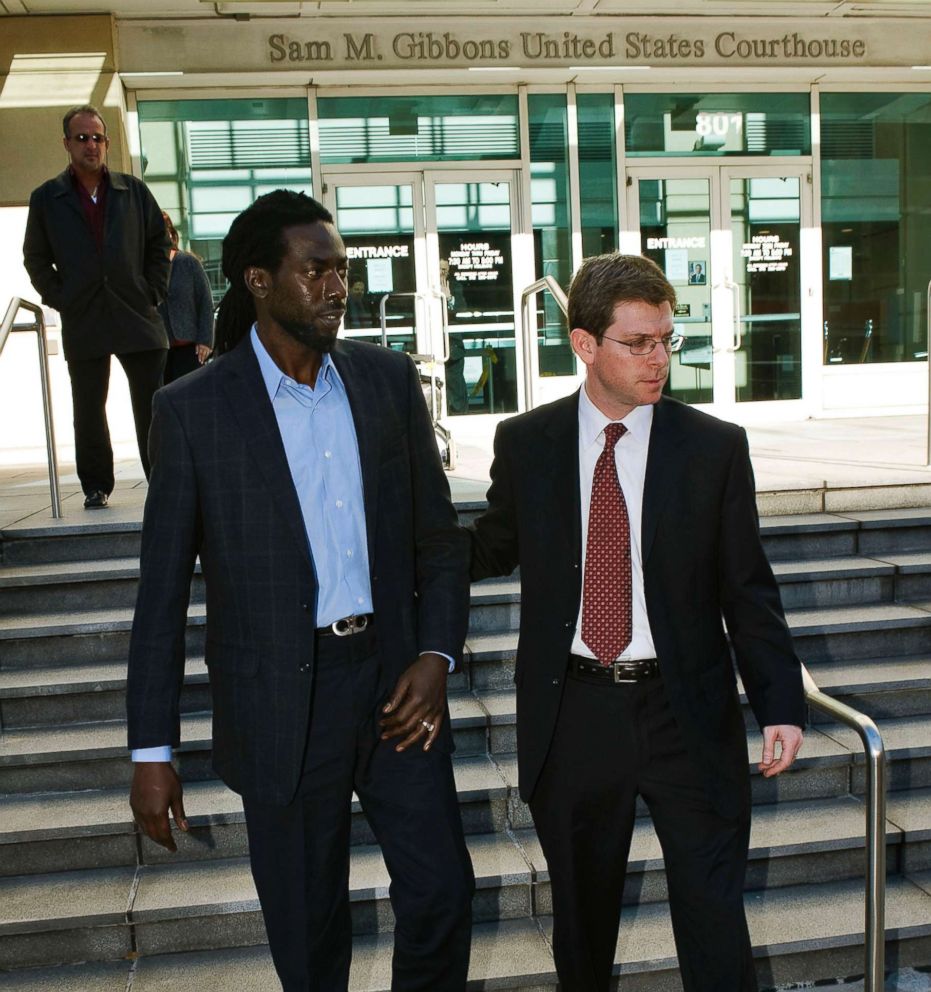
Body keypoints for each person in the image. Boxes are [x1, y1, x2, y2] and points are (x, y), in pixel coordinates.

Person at [126, 190, 474, 992]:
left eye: (342, 271)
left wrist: (434, 654)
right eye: (315, 270)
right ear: (257, 279)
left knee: (442, 892)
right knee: (309, 933)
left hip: (394, 686)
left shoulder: (386, 382)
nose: (336, 286)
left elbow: (438, 543)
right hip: (278, 705)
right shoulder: (192, 411)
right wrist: (152, 750)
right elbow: (161, 600)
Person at [469, 252, 805, 992]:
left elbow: (746, 587)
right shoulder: (528, 443)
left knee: (714, 914)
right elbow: (491, 547)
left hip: (686, 709)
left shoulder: (712, 448)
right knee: (582, 928)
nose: (659, 359)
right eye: (638, 342)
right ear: (584, 344)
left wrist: (778, 702)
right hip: (576, 710)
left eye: (666, 339)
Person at [23, 104, 169, 509]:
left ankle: (163, 477)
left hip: (136, 314)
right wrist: (61, 296)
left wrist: (152, 290)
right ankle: (96, 485)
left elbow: (160, 245)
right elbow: (35, 258)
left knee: (153, 403)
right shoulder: (47, 198)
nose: (91, 145)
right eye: (82, 137)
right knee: (88, 406)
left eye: (97, 138)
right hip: (84, 316)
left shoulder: (132, 190)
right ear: (66, 144)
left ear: (106, 143)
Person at [159, 212, 214, 383]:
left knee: (190, 400)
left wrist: (206, 341)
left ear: (171, 233)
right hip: (158, 349)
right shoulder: (144, 267)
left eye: (164, 230)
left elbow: (205, 302)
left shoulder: (188, 263)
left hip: (190, 348)